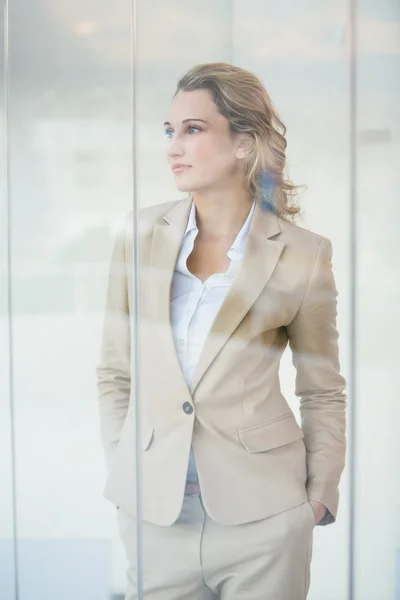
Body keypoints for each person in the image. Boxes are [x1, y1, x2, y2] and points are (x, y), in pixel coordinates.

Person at [96, 62, 347, 600]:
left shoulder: (305, 254)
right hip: (156, 521)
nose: (172, 146)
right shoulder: (138, 235)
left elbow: (322, 389)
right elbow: (115, 372)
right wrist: (128, 476)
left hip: (264, 520)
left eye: (193, 129)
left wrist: (317, 498)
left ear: (243, 143)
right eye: (170, 130)